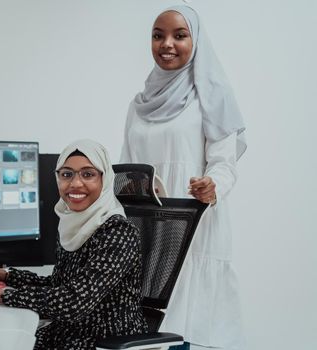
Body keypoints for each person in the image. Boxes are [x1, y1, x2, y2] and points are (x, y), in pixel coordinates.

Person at [120, 5, 247, 350]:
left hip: (193, 225)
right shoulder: (139, 103)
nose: (167, 44)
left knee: (186, 329)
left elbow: (225, 163)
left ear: (197, 40)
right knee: (148, 332)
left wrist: (212, 184)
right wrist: (131, 184)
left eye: (180, 35)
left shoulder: (211, 96)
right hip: (147, 231)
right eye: (158, 35)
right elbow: (126, 166)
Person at [0, 139, 148, 349]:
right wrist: (4, 275)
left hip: (102, 341)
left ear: (105, 180)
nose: (75, 183)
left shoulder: (118, 233)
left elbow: (74, 302)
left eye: (88, 174)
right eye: (67, 174)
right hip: (68, 333)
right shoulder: (74, 223)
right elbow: (60, 285)